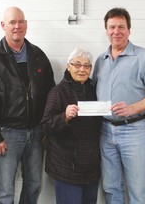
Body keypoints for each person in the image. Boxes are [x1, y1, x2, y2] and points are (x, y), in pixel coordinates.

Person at [0, 7, 55, 204]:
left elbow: (50, 94)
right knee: (4, 192)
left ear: (26, 25)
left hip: (36, 134)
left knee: (34, 185)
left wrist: (46, 127)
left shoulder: (38, 55)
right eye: (12, 22)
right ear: (3, 26)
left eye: (21, 21)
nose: (17, 26)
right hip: (7, 135)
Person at [92, 7, 145, 204]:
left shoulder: (143, 57)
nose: (116, 31)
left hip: (133, 130)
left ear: (129, 30)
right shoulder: (101, 60)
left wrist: (132, 108)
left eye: (121, 27)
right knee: (111, 187)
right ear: (106, 30)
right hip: (105, 131)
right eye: (112, 27)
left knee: (136, 189)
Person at [41, 47, 102, 204]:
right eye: (77, 64)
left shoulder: (95, 91)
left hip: (91, 166)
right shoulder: (58, 92)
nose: (82, 69)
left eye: (87, 66)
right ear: (69, 66)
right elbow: (46, 126)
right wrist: (64, 117)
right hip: (67, 167)